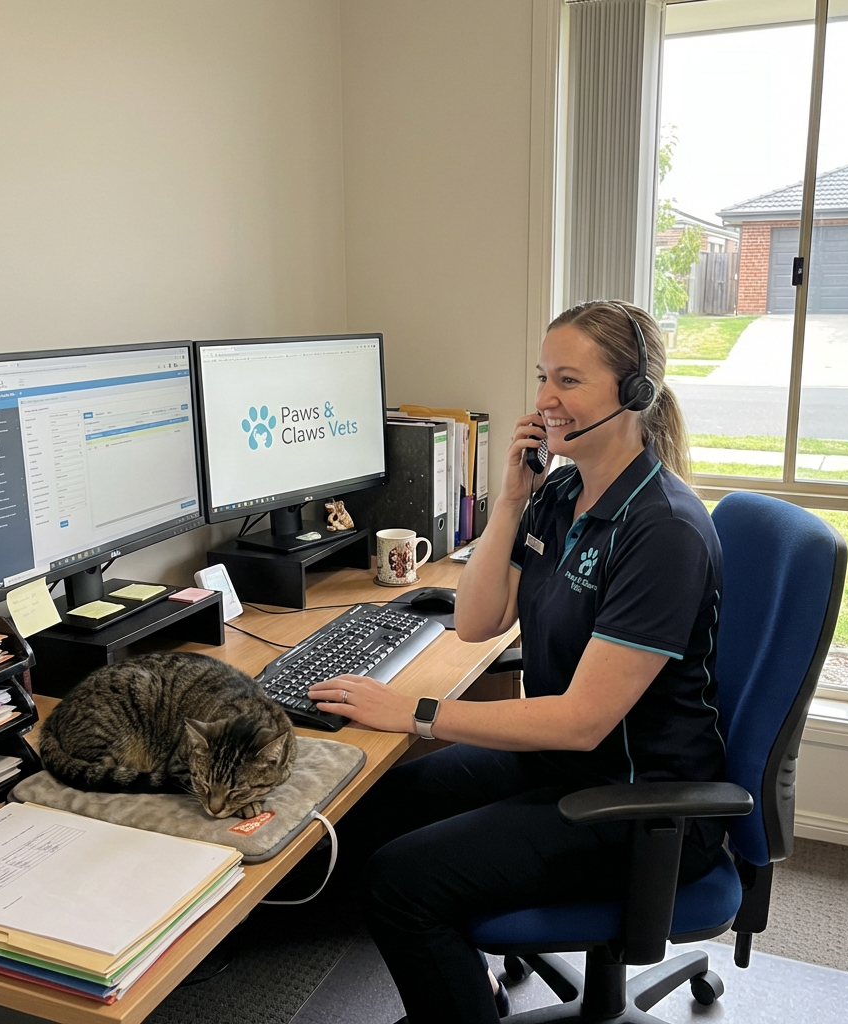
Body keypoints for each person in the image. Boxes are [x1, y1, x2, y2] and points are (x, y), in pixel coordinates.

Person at [308, 300, 726, 1024]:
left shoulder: (663, 531)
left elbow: (582, 722)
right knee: (377, 809)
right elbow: (477, 622)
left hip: (638, 799)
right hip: (565, 767)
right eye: (542, 377)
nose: (545, 400)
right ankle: (472, 992)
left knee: (401, 882)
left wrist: (417, 714)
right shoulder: (562, 492)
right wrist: (510, 498)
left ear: (633, 395)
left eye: (569, 380)